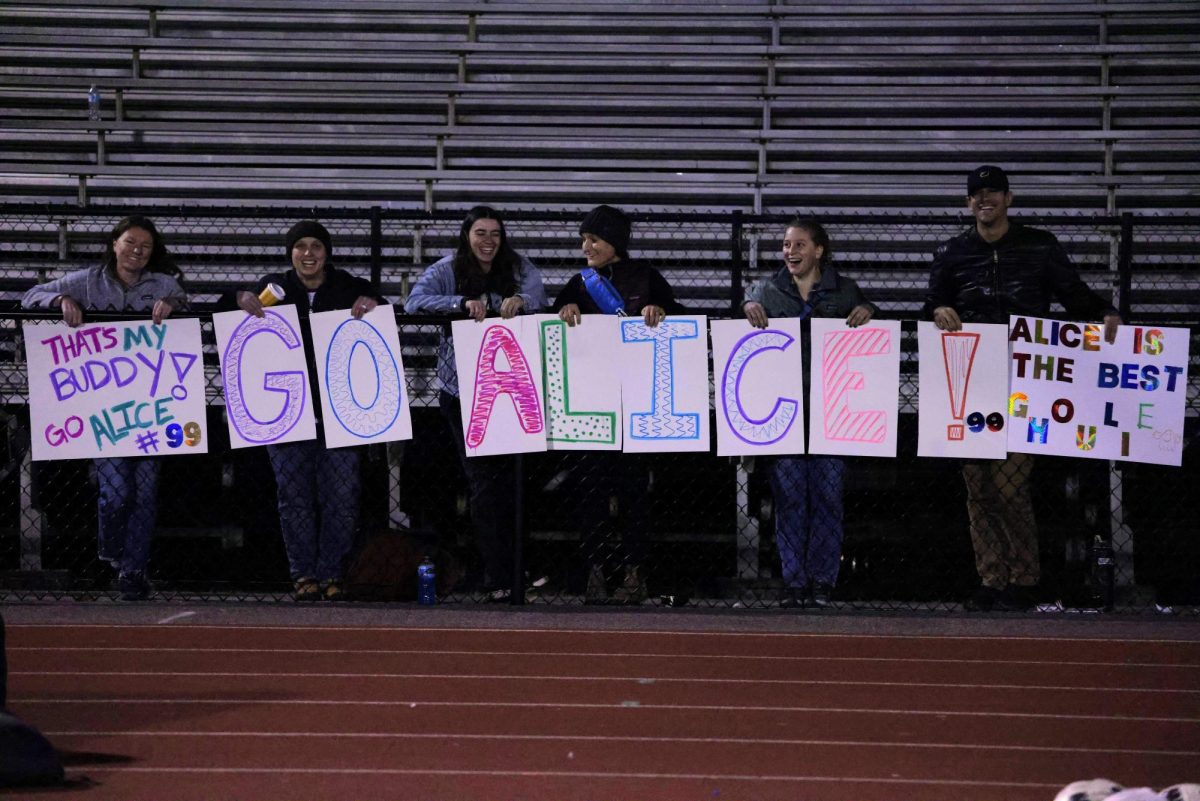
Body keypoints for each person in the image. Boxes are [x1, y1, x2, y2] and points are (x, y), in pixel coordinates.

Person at [926, 165, 1122, 612]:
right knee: (977, 486)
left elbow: (1075, 296)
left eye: (993, 191)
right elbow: (931, 302)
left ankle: (1025, 577)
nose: (984, 199)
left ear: (1009, 199)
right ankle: (992, 578)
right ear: (968, 203)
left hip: (1028, 378)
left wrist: (1106, 311)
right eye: (977, 193)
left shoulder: (1039, 246)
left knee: (1010, 484)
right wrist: (939, 308)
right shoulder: (953, 252)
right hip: (972, 379)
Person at [22, 215, 186, 601]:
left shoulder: (164, 285)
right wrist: (61, 300)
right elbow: (30, 296)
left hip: (151, 408)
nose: (137, 251)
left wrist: (173, 304)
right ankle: (111, 550)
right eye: (129, 243)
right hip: (105, 412)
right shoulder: (85, 280)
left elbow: (187, 303)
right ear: (114, 244)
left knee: (145, 493)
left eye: (144, 246)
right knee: (116, 492)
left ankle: (133, 571)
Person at [403, 206, 547, 601]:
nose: (488, 241)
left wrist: (521, 300)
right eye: (480, 233)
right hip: (464, 391)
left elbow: (538, 293)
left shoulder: (517, 267)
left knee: (514, 479)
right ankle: (497, 573)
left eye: (495, 234)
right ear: (467, 235)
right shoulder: (449, 267)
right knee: (483, 482)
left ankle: (517, 568)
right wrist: (460, 303)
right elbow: (415, 302)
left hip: (512, 389)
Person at [236, 220, 383, 601]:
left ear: (327, 252)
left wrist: (373, 305)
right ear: (290, 253)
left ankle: (333, 572)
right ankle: (303, 575)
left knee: (342, 495)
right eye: (300, 246)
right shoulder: (272, 287)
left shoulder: (350, 285)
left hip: (340, 412)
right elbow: (228, 312)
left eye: (316, 245)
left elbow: (381, 309)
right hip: (287, 414)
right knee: (294, 497)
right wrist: (241, 301)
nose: (308, 253)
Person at [552, 204, 686, 604]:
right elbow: (552, 324)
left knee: (635, 493)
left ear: (615, 243)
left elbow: (678, 318)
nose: (585, 246)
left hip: (636, 404)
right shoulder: (580, 282)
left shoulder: (647, 277)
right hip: (590, 405)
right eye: (583, 239)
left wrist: (660, 312)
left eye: (593, 239)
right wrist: (565, 310)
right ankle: (594, 571)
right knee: (589, 490)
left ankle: (634, 572)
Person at [743, 217, 876, 609]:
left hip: (832, 410)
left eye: (799, 244)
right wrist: (747, 305)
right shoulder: (767, 289)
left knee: (828, 497)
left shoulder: (843, 289)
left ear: (819, 250)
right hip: (783, 411)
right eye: (786, 245)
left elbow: (870, 322)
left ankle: (823, 580)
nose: (790, 251)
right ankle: (795, 582)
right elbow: (743, 312)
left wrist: (869, 309)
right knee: (790, 499)